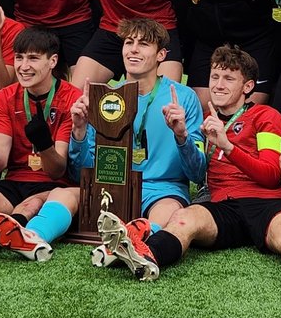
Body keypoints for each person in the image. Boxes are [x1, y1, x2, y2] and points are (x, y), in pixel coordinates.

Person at [97, 45, 281, 288]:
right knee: (183, 219)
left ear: (248, 87)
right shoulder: (205, 120)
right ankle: (146, 256)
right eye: (215, 77)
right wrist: (182, 137)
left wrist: (228, 146)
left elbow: (271, 174)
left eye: (229, 78)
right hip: (221, 204)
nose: (219, 85)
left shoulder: (266, 116)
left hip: (266, 202)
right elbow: (197, 173)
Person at [73, 18, 208, 266]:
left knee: (170, 210)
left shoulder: (183, 98)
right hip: (114, 187)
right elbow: (82, 169)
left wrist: (182, 136)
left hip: (163, 189)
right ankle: (34, 235)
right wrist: (79, 132)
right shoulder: (106, 97)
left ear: (161, 55)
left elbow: (198, 173)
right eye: (128, 42)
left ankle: (125, 244)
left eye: (143, 44)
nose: (133, 49)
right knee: (65, 195)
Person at [0, 27, 85, 262]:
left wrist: (43, 144)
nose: (23, 66)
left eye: (33, 58)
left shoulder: (71, 96)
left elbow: (57, 170)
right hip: (13, 181)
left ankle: (18, 236)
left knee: (30, 205)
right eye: (19, 57)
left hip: (53, 186)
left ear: (53, 61)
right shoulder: (5, 96)